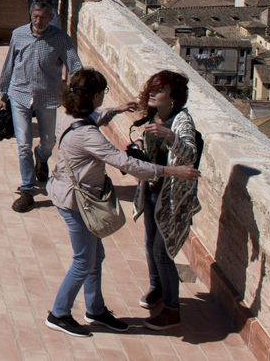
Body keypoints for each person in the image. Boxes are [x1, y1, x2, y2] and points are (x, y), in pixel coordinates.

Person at [45, 68, 199, 338]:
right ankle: (59, 313)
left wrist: (116, 110)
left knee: (96, 256)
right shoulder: (88, 136)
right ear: (93, 96)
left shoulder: (68, 114)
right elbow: (125, 163)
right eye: (101, 94)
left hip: (69, 194)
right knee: (83, 260)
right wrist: (172, 171)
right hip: (75, 202)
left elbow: (95, 117)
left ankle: (95, 309)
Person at [132, 70, 203, 330]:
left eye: (158, 89)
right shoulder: (154, 115)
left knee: (163, 252)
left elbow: (189, 155)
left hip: (172, 198)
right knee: (150, 243)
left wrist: (170, 136)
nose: (152, 92)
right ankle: (157, 289)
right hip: (152, 191)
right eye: (151, 87)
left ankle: (172, 309)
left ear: (172, 97)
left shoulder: (181, 121)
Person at [0, 0, 81, 212]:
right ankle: (27, 189)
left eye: (43, 17)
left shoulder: (60, 39)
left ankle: (41, 157)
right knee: (23, 144)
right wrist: (3, 93)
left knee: (49, 140)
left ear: (51, 18)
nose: (38, 21)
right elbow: (9, 64)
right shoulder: (19, 34)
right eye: (35, 17)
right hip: (19, 93)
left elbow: (75, 66)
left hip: (47, 96)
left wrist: (78, 91)